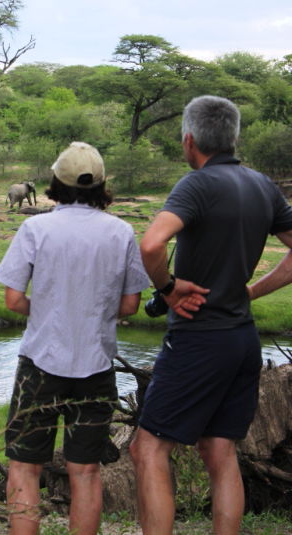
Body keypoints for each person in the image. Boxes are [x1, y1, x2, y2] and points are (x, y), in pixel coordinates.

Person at [130, 95, 292, 535]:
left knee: (148, 448)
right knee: (219, 451)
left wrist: (168, 287)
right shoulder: (262, 184)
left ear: (189, 140)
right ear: (234, 137)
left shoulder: (195, 184)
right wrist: (251, 291)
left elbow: (150, 245)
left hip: (199, 337)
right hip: (242, 338)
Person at [0, 141, 150, 535]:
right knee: (86, 472)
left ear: (55, 182)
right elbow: (131, 306)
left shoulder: (35, 227)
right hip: (96, 367)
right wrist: (93, 313)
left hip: (40, 366)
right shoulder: (121, 231)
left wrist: (47, 310)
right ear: (101, 185)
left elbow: (14, 300)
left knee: (24, 468)